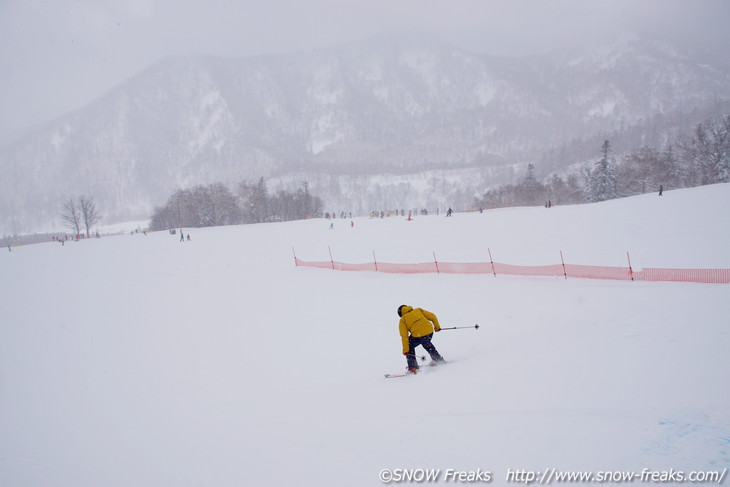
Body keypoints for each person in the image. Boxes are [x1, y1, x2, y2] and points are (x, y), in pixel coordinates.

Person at [397, 305, 445, 373]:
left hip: (418, 335)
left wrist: (405, 350)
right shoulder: (418, 310)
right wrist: (437, 327)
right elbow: (433, 316)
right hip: (429, 331)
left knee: (409, 346)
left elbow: (404, 336)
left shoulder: (403, 320)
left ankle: (413, 367)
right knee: (426, 342)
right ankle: (438, 359)